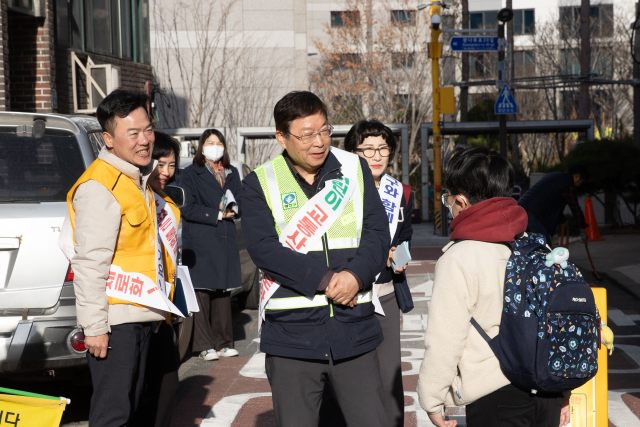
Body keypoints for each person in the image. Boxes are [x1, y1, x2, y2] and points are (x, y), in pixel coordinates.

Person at [242, 91, 391, 427]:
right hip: (292, 338)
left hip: (355, 331)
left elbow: (377, 234)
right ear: (281, 136)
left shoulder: (354, 169)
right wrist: (325, 281)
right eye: (306, 134)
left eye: (325, 130)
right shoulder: (259, 182)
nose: (319, 142)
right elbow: (264, 249)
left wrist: (354, 276)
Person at [417, 147, 570, 427]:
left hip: (495, 395)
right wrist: (564, 392)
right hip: (547, 388)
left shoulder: (458, 258)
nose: (448, 205)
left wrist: (431, 398)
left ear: (461, 202)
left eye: (448, 199)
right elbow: (559, 321)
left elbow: (445, 338)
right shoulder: (537, 247)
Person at [67, 89, 174, 426]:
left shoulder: (138, 181)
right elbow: (89, 264)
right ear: (108, 139)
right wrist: (95, 327)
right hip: (116, 325)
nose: (145, 140)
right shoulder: (100, 186)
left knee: (141, 411)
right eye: (133, 133)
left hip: (145, 316)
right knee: (114, 415)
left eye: (148, 130)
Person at [344, 119, 413, 427]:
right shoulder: (338, 192)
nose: (376, 154)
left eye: (383, 148)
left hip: (385, 296)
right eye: (368, 148)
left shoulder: (400, 192)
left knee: (388, 376)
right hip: (348, 296)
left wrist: (400, 256)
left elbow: (405, 235)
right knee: (350, 377)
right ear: (352, 152)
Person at [180, 129, 241, 360]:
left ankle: (224, 342)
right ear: (201, 147)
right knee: (202, 294)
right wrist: (216, 214)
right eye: (210, 142)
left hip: (225, 239)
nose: (215, 146)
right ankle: (205, 346)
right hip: (201, 240)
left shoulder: (232, 172)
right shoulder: (190, 174)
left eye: (219, 142)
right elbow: (187, 207)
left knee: (223, 294)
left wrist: (234, 209)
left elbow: (241, 200)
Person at [134, 131, 182, 427]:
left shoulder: (166, 201)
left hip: (161, 307)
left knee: (167, 381)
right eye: (160, 164)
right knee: (136, 389)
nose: (165, 172)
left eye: (172, 165)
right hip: (133, 302)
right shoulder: (133, 197)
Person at [518, 164, 590, 245]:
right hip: (534, 215)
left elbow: (550, 203)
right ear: (577, 176)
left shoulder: (555, 176)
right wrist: (582, 230)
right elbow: (575, 208)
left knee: (529, 246)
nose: (579, 185)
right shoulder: (569, 184)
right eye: (581, 182)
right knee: (545, 248)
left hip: (521, 210)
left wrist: (563, 220)